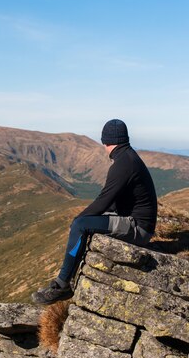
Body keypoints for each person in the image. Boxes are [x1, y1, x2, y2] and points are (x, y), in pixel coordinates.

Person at [31, 119, 157, 305]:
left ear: (107, 141)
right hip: (135, 220)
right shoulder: (127, 157)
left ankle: (62, 285)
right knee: (85, 222)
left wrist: (78, 220)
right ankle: (64, 281)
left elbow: (103, 201)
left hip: (138, 228)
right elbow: (112, 201)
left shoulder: (123, 164)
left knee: (81, 225)